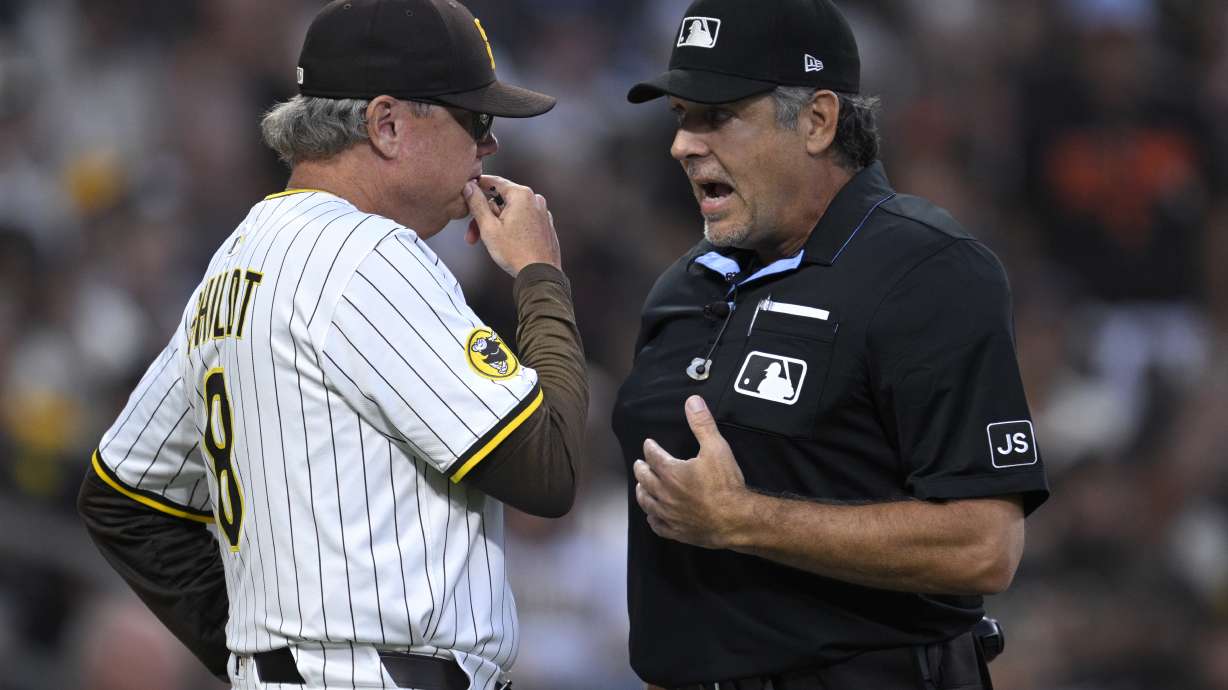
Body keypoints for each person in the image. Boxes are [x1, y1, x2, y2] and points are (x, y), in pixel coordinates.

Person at [76, 1, 588, 689]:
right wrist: (539, 271)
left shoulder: (235, 263)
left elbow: (122, 498)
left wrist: (254, 657)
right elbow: (547, 467)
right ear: (386, 124)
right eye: (476, 119)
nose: (489, 146)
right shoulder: (366, 254)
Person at [613, 0, 1050, 688]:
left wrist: (744, 519)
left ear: (817, 120)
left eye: (717, 115)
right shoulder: (683, 283)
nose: (683, 144)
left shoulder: (926, 269)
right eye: (679, 118)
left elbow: (984, 545)